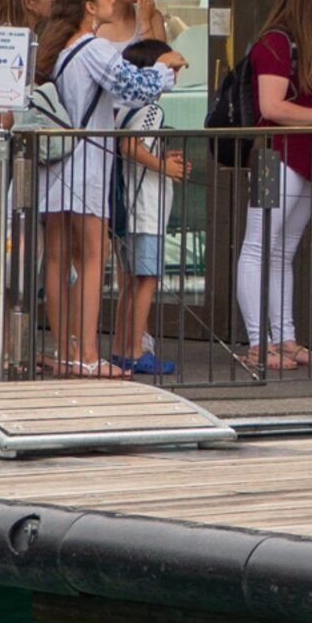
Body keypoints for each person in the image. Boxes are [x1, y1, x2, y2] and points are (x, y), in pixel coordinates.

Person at [232, 0, 312, 370]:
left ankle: (283, 339)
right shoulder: (276, 42)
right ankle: (256, 343)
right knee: (259, 246)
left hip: (305, 153)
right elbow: (271, 106)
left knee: (282, 249)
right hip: (276, 153)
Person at [38, 0, 140, 378]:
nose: (114, 0)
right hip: (88, 165)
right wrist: (167, 67)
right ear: (89, 7)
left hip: (58, 166)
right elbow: (134, 88)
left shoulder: (60, 48)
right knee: (94, 259)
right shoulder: (94, 47)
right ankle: (89, 354)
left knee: (60, 260)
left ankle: (66, 349)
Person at [107, 35, 191, 379]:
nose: (175, 74)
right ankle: (135, 350)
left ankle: (121, 346)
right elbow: (131, 145)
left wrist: (158, 158)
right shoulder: (152, 107)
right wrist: (163, 166)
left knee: (130, 280)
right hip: (146, 206)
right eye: (169, 68)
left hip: (130, 204)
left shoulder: (125, 105)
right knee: (147, 279)